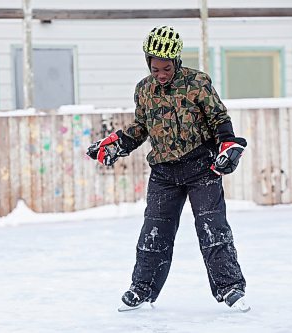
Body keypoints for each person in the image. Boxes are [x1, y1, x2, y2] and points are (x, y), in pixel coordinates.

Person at [86, 25, 249, 312]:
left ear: (177, 61)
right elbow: (141, 128)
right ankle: (142, 289)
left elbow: (218, 118)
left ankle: (230, 288)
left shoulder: (197, 83)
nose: (160, 74)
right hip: (164, 173)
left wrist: (227, 146)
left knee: (212, 228)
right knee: (154, 232)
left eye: (166, 68)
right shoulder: (144, 90)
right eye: (155, 68)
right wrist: (116, 144)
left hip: (201, 168)